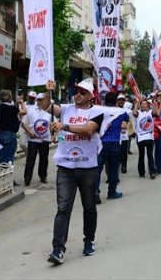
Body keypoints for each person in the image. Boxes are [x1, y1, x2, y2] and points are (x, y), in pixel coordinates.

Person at [45, 80, 116, 265]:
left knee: (89, 207)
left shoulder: (97, 112)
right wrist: (47, 92)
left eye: (83, 92)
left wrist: (65, 127)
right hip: (66, 168)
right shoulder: (67, 109)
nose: (78, 95)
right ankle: (58, 249)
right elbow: (47, 107)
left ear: (91, 96)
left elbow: (88, 130)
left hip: (88, 168)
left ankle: (89, 242)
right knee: (62, 208)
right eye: (76, 91)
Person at [95, 92, 128, 203]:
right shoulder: (121, 112)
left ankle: (95, 192)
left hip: (101, 143)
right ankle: (112, 192)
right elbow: (125, 124)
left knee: (97, 169)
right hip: (114, 142)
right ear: (115, 101)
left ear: (104, 100)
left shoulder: (99, 110)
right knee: (114, 169)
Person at [21, 92, 52, 186]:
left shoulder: (49, 111)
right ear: (37, 100)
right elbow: (24, 123)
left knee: (44, 159)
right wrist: (30, 132)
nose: (42, 102)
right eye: (40, 100)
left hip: (44, 140)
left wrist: (53, 134)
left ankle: (43, 176)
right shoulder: (30, 110)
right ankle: (27, 178)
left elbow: (53, 124)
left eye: (43, 100)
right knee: (30, 159)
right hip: (33, 139)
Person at [0, 89, 26, 165]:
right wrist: (22, 102)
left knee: (2, 158)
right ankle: (8, 171)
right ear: (10, 97)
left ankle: (2, 170)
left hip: (1, 134)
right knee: (9, 159)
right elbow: (24, 111)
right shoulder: (13, 108)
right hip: (10, 134)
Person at [132, 98, 156, 179]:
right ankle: (141, 172)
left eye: (145, 104)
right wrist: (136, 104)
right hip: (140, 137)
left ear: (147, 105)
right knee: (141, 155)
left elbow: (155, 113)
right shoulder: (138, 112)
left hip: (149, 137)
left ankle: (152, 172)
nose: (143, 105)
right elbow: (134, 112)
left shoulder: (150, 112)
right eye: (142, 104)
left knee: (150, 155)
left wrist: (153, 104)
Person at [116, 94, 130, 174]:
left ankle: (124, 166)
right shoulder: (114, 110)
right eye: (119, 100)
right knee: (117, 153)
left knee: (124, 152)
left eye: (123, 100)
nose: (121, 101)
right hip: (116, 136)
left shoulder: (127, 111)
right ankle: (117, 166)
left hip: (124, 135)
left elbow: (126, 125)